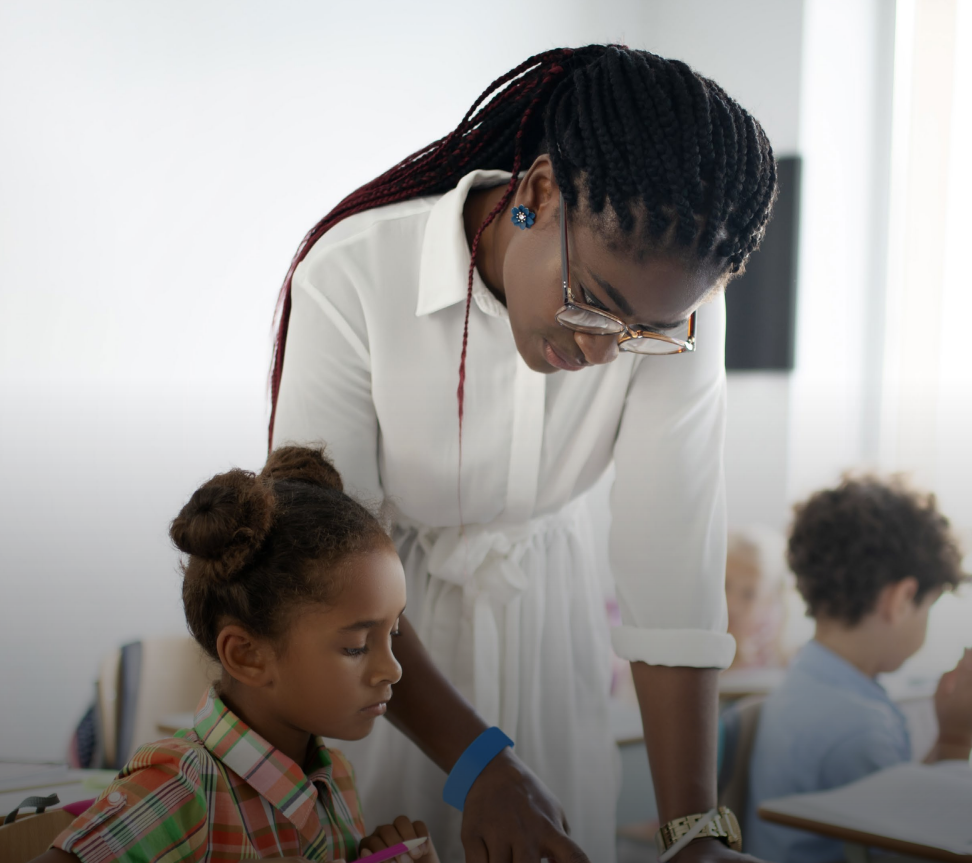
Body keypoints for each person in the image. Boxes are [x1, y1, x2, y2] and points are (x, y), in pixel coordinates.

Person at [270, 45, 778, 862]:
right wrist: (481, 763)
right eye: (594, 305)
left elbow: (672, 569)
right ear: (537, 193)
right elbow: (323, 569)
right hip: (378, 650)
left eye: (640, 334)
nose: (604, 351)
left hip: (553, 623)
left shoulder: (672, 316)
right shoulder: (354, 276)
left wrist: (694, 832)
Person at [34, 446, 440, 863]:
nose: (392, 669)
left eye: (392, 632)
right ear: (247, 655)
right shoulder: (178, 789)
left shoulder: (337, 779)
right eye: (356, 645)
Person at [746, 475, 972, 863]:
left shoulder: (810, 680)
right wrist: (954, 742)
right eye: (928, 606)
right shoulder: (857, 728)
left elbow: (892, 803)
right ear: (901, 600)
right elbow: (916, 850)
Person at [725, 527, 789, 670]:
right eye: (725, 585)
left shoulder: (769, 649)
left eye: (749, 594)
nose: (731, 604)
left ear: (767, 602)